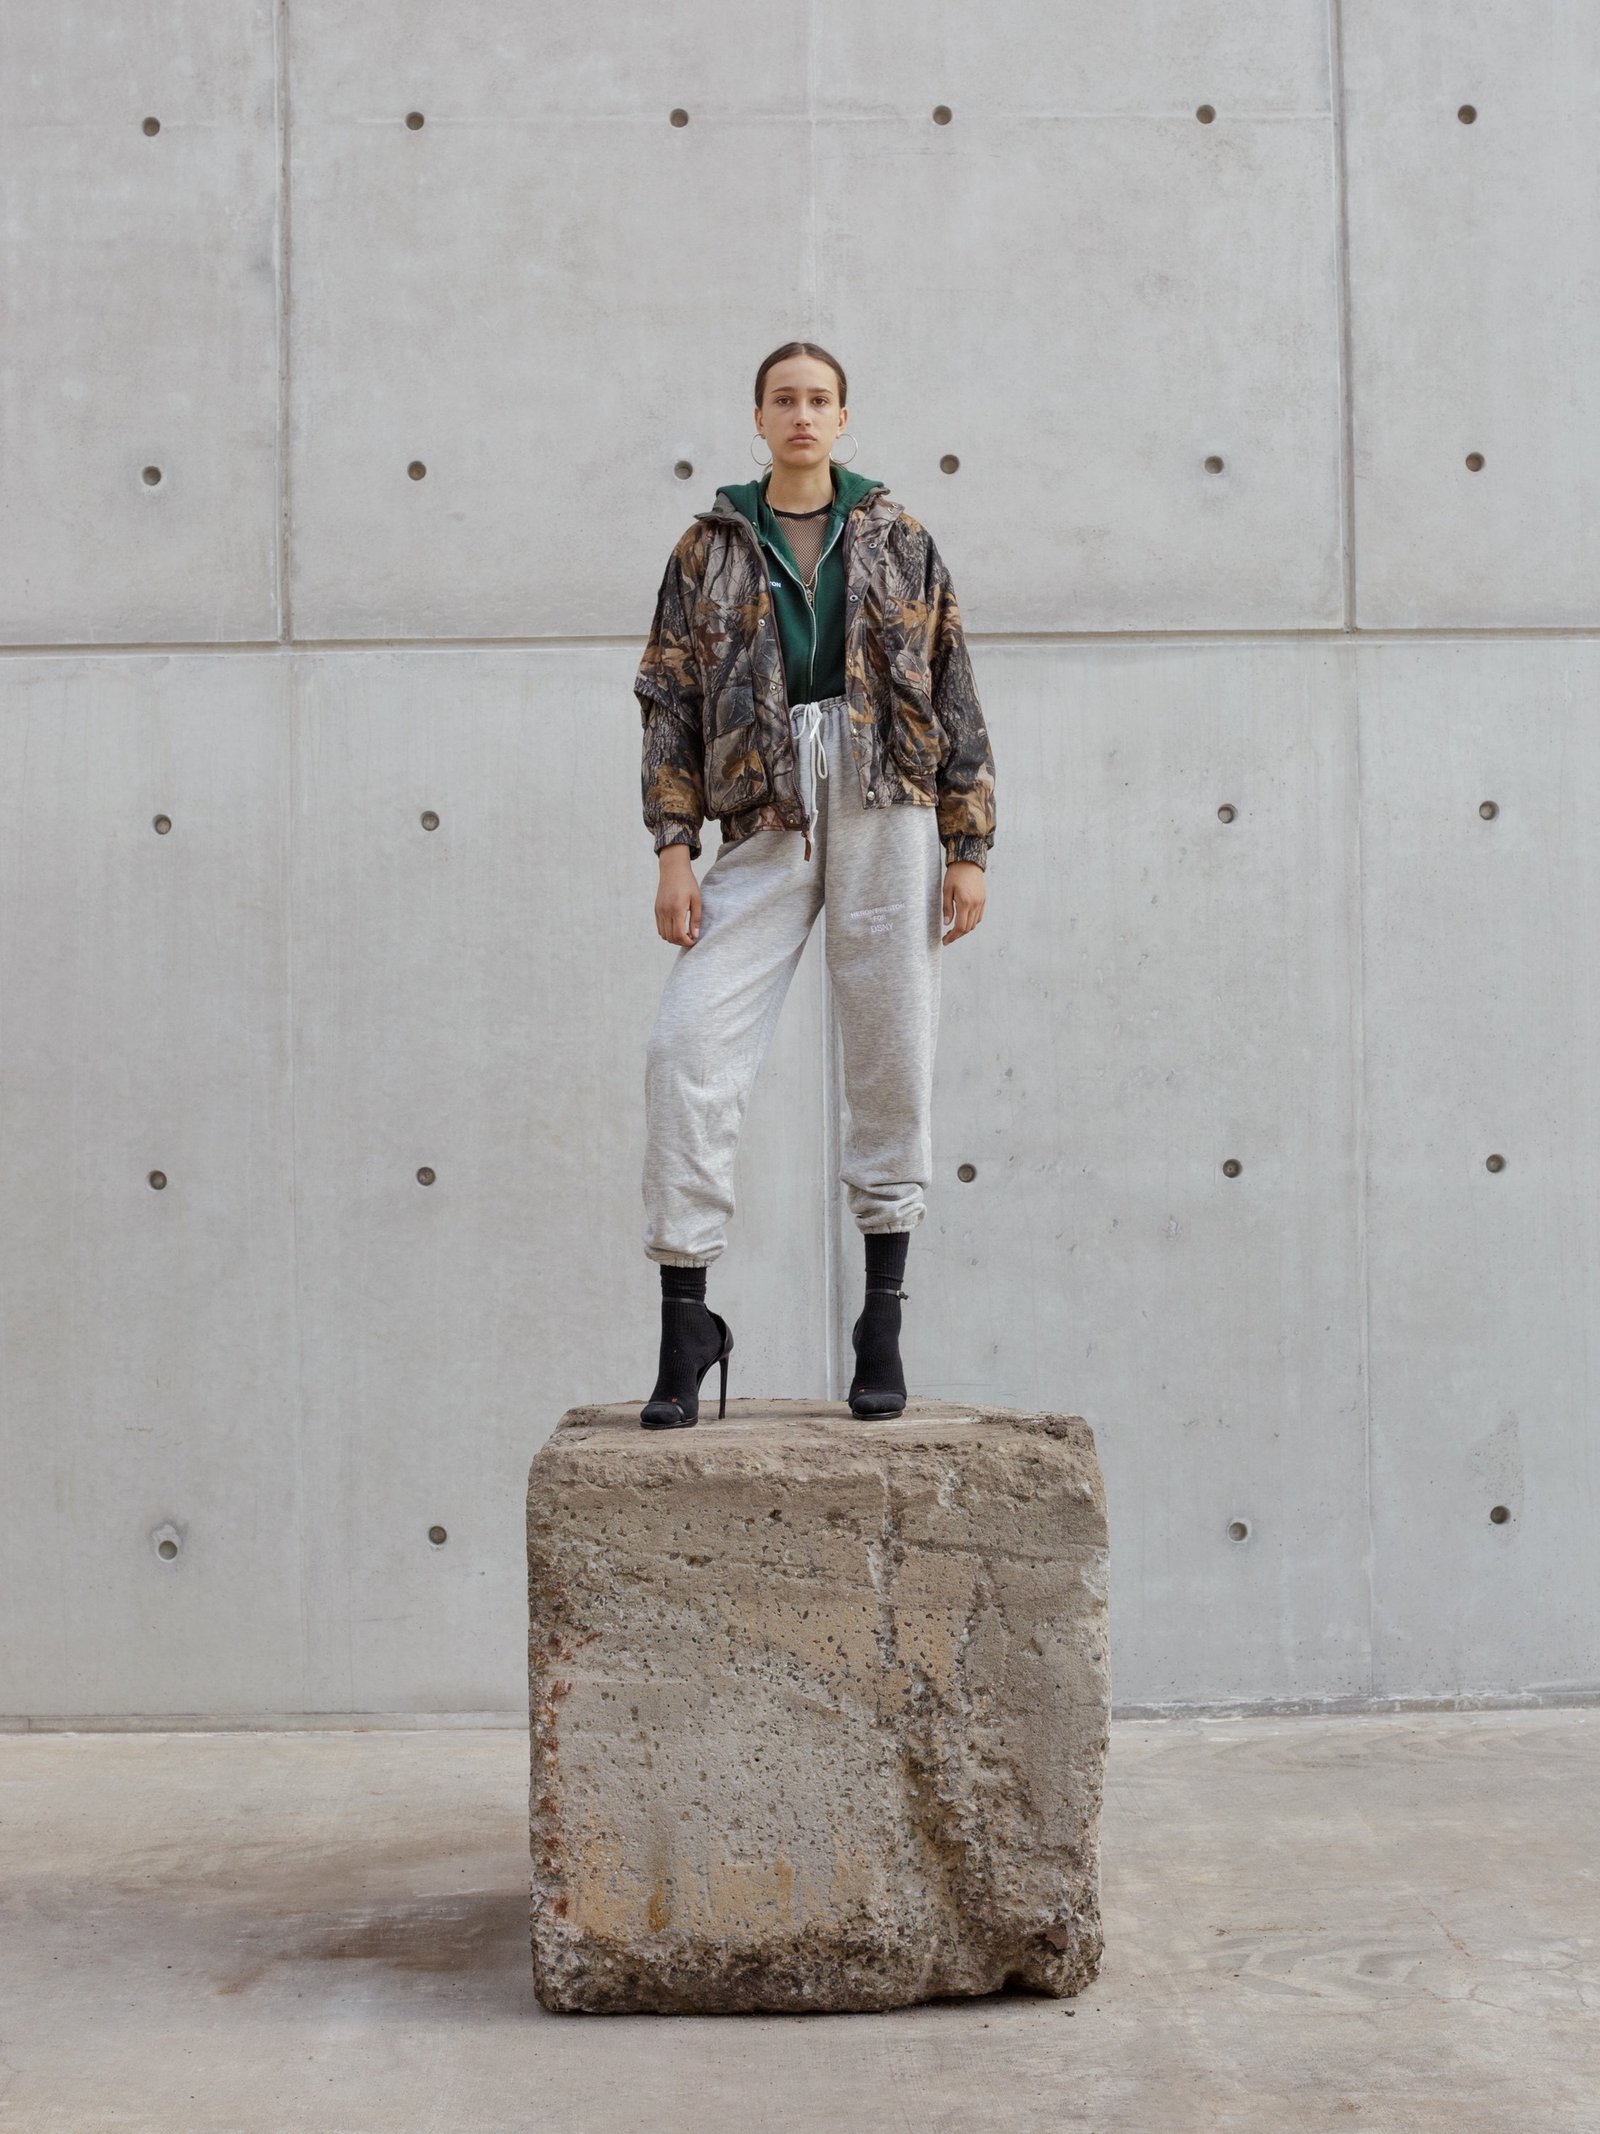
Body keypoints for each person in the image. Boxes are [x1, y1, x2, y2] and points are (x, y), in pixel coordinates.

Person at [634, 341, 996, 1429]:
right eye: (784, 399)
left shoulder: (901, 538)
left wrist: (969, 843)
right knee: (686, 1049)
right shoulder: (707, 547)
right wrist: (670, 845)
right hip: (764, 814)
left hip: (890, 808)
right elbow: (668, 699)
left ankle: (880, 1317)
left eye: (819, 400)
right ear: (757, 417)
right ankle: (685, 1315)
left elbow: (954, 686)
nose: (802, 415)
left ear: (843, 417)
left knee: (890, 1051)